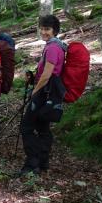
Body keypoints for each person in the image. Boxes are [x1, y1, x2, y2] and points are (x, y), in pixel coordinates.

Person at [19, 15, 66, 175]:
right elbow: (45, 73)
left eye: (47, 29)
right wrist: (33, 78)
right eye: (42, 28)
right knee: (42, 127)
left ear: (54, 30)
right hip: (48, 92)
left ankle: (33, 164)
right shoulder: (54, 46)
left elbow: (47, 74)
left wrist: (35, 91)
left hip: (44, 93)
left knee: (26, 126)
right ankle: (42, 163)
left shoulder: (53, 48)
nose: (44, 31)